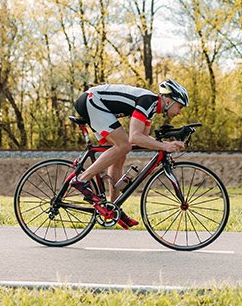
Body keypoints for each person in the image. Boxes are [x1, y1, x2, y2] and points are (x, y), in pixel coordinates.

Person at [69, 79, 189, 229]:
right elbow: (134, 137)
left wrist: (167, 143)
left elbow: (141, 139)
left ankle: (113, 207)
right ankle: (82, 179)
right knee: (123, 145)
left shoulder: (151, 109)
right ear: (169, 100)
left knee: (120, 153)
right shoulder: (148, 101)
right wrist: (165, 146)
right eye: (180, 107)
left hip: (95, 104)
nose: (179, 112)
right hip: (92, 100)